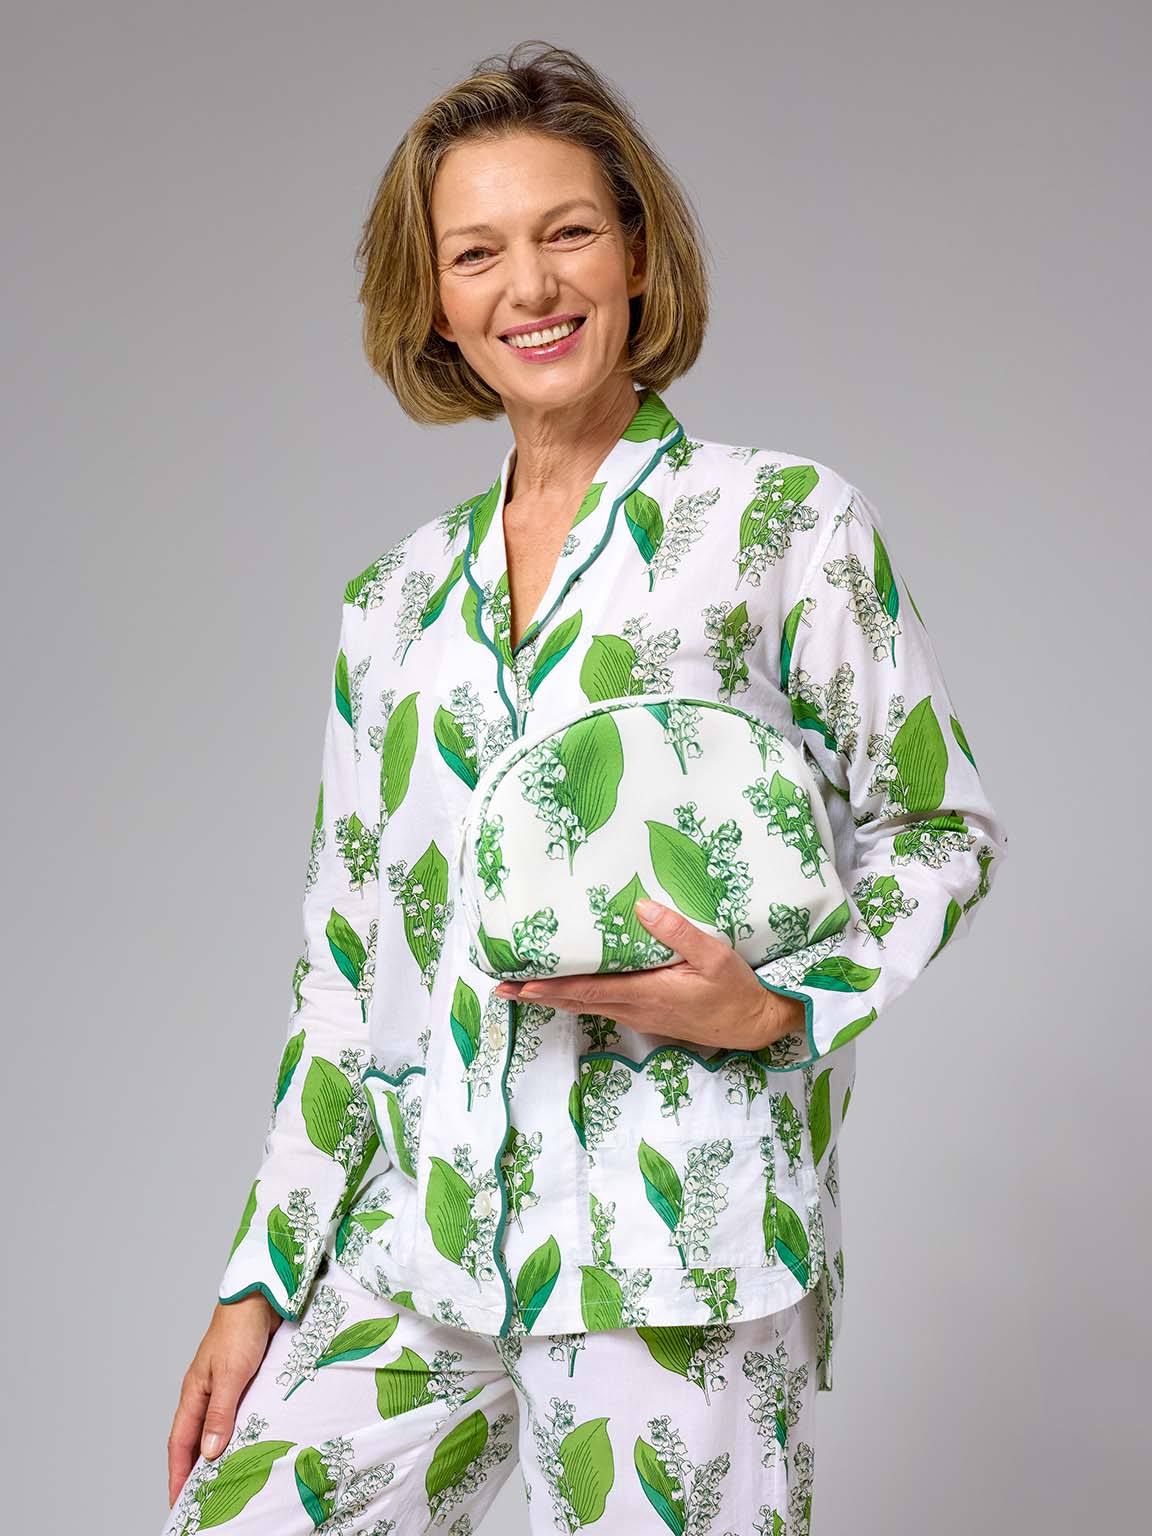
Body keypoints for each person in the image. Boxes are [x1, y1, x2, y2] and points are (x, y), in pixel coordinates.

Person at [163, 39, 1008, 1536]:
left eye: (567, 233)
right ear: (435, 300)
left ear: (635, 252)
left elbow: (940, 828)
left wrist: (784, 1006)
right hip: (417, 1242)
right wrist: (260, 1279)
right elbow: (347, 975)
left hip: (678, 1248)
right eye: (476, 253)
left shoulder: (781, 526)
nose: (531, 286)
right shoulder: (392, 608)